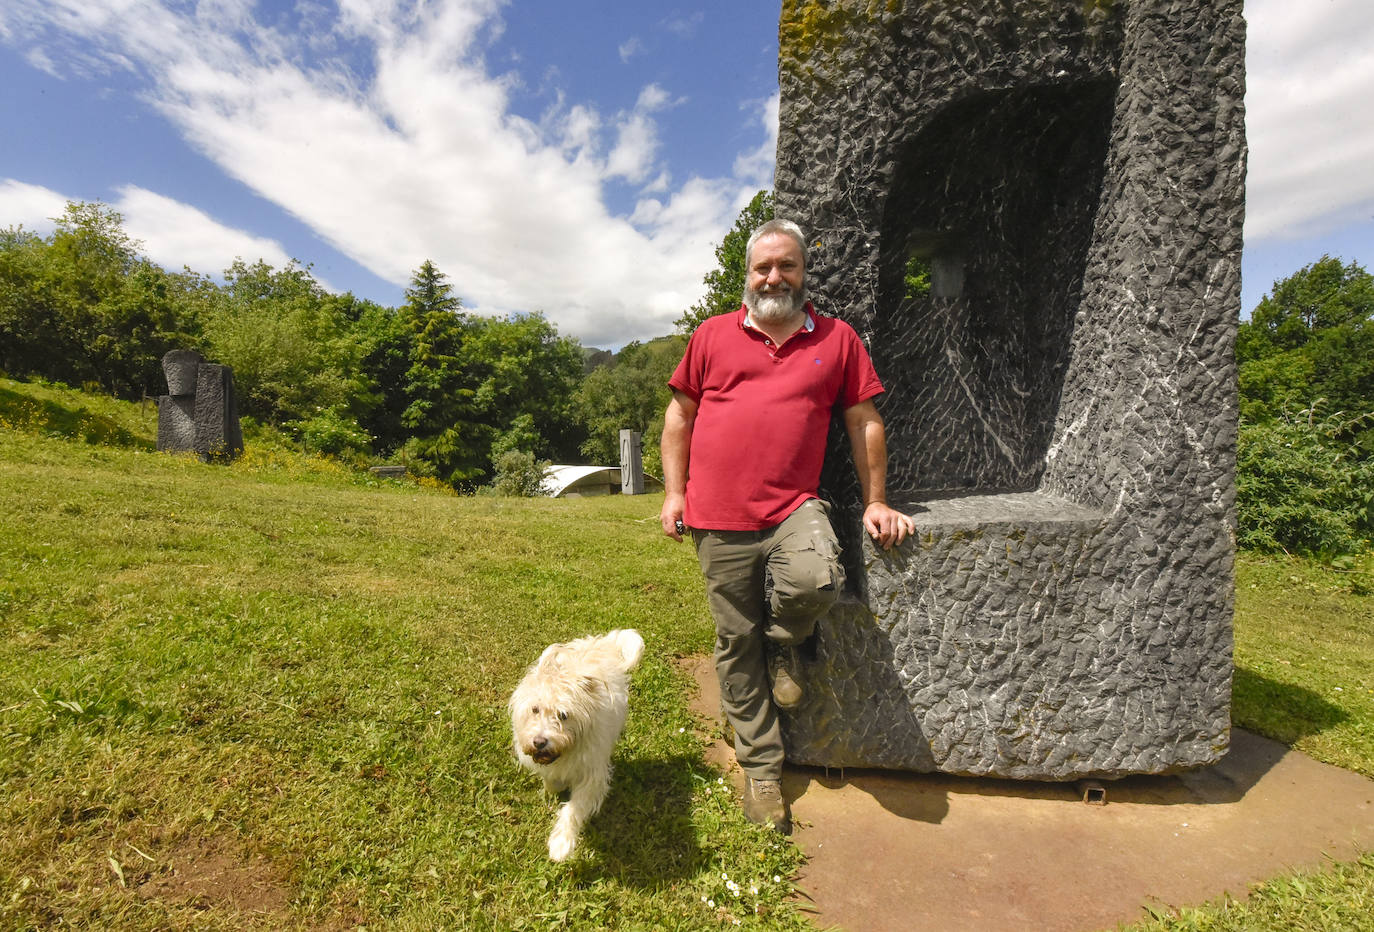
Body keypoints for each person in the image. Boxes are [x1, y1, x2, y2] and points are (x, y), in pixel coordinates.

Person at [660, 218, 914, 833]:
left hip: (793, 507)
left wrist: (877, 501)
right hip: (716, 517)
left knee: (813, 581)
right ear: (746, 276)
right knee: (734, 640)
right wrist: (673, 493)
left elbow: (863, 422)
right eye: (762, 267)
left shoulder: (837, 339)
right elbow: (678, 417)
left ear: (804, 272)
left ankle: (787, 641)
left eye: (786, 266)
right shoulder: (712, 336)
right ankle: (764, 771)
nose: (774, 276)